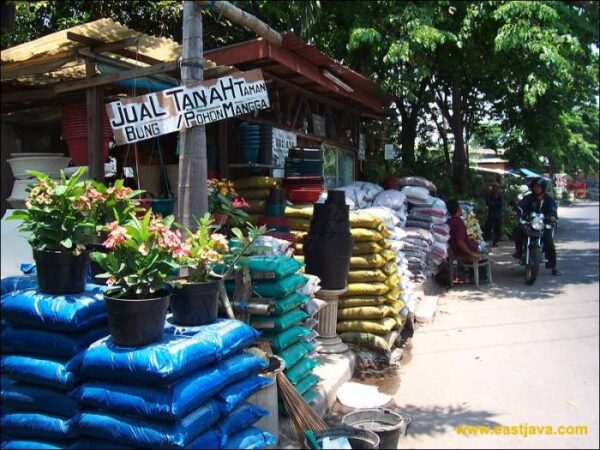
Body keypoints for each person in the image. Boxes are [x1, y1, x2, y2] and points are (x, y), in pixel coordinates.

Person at [513, 177, 561, 275]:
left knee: (549, 242)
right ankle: (519, 251)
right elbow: (521, 205)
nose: (537, 188)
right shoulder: (528, 197)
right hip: (530, 223)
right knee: (517, 230)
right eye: (535, 186)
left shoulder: (548, 199)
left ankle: (553, 267)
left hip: (543, 224)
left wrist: (552, 216)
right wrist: (517, 210)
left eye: (539, 186)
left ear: (543, 187)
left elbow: (553, 209)